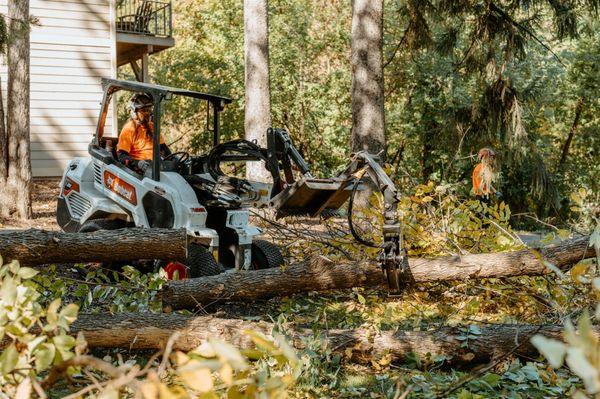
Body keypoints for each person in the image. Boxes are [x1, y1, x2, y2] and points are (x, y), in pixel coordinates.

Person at [117, 93, 171, 174]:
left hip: (156, 166)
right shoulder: (129, 128)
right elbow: (122, 156)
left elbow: (163, 149)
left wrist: (173, 159)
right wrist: (137, 163)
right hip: (139, 170)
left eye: (148, 110)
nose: (147, 113)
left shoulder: (153, 127)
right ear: (134, 112)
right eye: (143, 110)